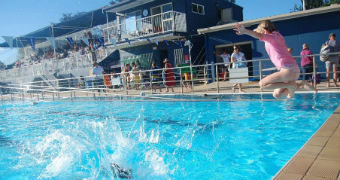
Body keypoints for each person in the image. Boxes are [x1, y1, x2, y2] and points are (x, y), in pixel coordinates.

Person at [233, 20, 300, 98]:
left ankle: (290, 85)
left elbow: (258, 35)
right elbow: (257, 33)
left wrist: (245, 31)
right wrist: (255, 30)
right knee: (277, 94)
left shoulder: (272, 37)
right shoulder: (277, 37)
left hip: (288, 70)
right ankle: (301, 86)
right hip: (292, 70)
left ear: (264, 30)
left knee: (262, 84)